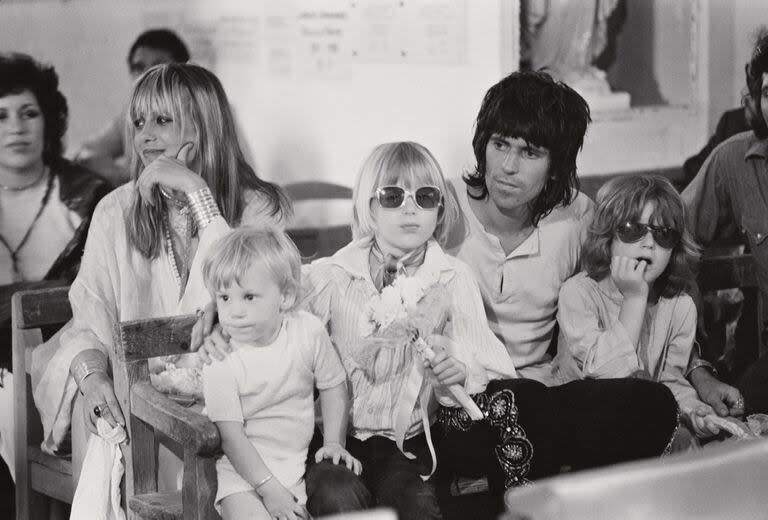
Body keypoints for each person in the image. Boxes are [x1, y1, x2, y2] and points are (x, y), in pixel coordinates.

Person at [32, 63, 290, 492]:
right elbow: (90, 315)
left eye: (162, 120)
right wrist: (94, 379)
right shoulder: (116, 210)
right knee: (101, 412)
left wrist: (200, 199)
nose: (145, 136)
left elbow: (249, 310)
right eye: (138, 122)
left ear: (204, 127)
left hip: (238, 397)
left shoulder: (257, 208)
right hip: (140, 398)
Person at [0, 52, 110, 518]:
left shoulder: (88, 195)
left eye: (29, 113)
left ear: (49, 120)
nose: (16, 127)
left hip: (62, 359)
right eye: (1, 116)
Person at [556, 175, 732, 443]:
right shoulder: (578, 294)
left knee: (689, 439)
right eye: (632, 229)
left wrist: (695, 410)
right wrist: (635, 299)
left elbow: (670, 381)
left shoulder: (679, 306)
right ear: (607, 237)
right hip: (584, 426)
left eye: (663, 235)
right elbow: (608, 376)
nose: (649, 243)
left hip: (645, 423)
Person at [201, 227, 358, 520]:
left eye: (249, 297)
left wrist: (334, 442)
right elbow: (232, 438)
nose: (234, 311)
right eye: (224, 297)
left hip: (296, 468)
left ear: (284, 297)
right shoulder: (220, 359)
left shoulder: (307, 331)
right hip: (242, 476)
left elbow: (334, 385)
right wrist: (269, 489)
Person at [683, 28, 768, 416]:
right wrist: (696, 365)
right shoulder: (735, 160)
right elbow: (667, 236)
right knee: (733, 428)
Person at [73, 28, 190, 186]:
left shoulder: (206, 109)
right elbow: (88, 152)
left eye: (158, 66)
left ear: (184, 71)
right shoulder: (130, 114)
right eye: (138, 68)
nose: (147, 75)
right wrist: (123, 176)